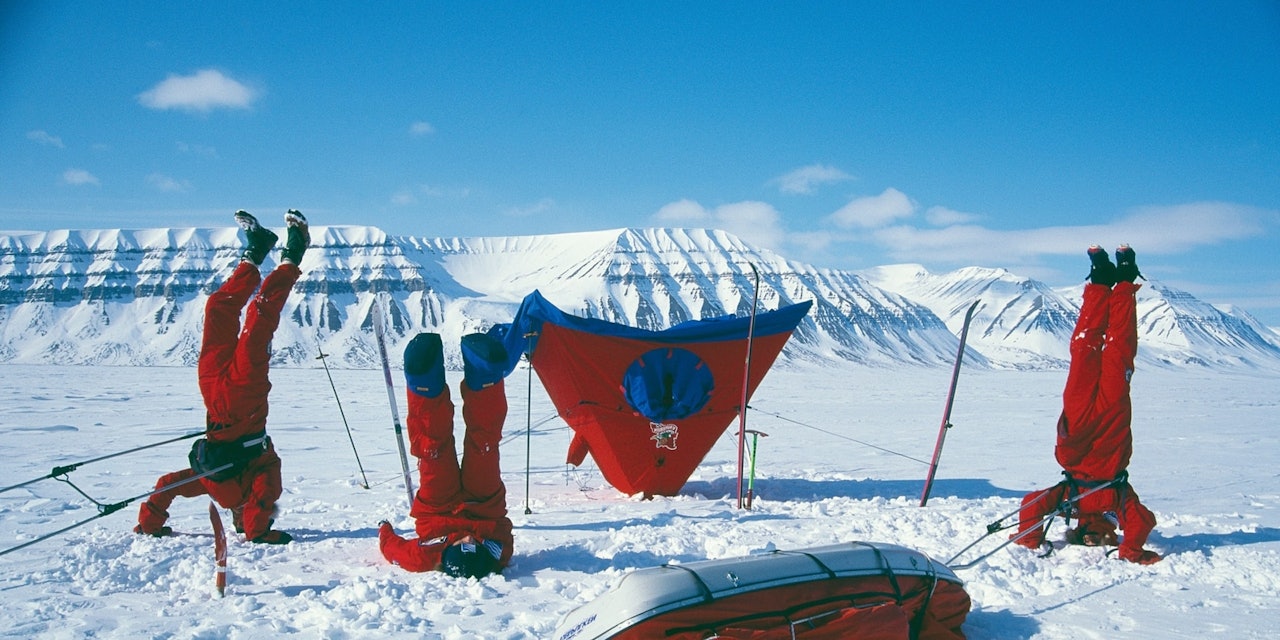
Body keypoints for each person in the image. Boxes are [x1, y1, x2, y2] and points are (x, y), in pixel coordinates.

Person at [134, 209, 310, 544]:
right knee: (259, 316)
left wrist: (150, 523)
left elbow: (166, 485)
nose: (239, 514)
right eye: (245, 518)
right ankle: (293, 255)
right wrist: (258, 532)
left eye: (239, 519)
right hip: (246, 398)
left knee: (217, 308)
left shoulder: (217, 484)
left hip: (213, 397)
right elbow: (263, 499)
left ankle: (255, 252)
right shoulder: (264, 479)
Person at [1012, 244, 1161, 564]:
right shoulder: (1118, 501)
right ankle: (1123, 282)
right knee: (1118, 351)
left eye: (1086, 540)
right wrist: (1132, 550)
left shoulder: (1071, 502)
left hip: (1076, 432)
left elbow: (1031, 504)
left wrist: (1028, 537)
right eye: (1099, 541)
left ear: (1078, 532)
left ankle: (1099, 282)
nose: (1092, 539)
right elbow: (1142, 522)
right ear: (1110, 532)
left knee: (1083, 351)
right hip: (1110, 420)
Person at [379, 331, 514, 577]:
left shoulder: (426, 555)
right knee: (484, 445)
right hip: (484, 506)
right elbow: (491, 545)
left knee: (433, 450)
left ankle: (424, 381)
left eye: (461, 542)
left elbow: (395, 550)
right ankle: (485, 375)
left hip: (437, 510)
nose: (468, 537)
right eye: (474, 542)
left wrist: (384, 530)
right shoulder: (497, 554)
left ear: (445, 553)